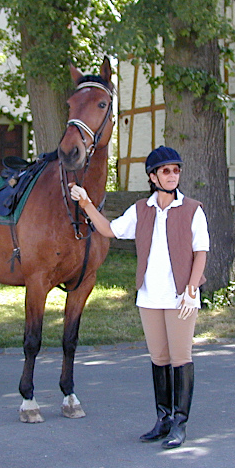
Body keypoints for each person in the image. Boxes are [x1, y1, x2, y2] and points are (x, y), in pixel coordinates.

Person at [69, 146, 209, 449]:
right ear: (152, 176)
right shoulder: (140, 209)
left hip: (180, 297)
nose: (173, 175)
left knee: (180, 358)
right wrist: (86, 203)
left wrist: (192, 289)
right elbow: (108, 229)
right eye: (166, 171)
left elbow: (201, 252)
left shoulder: (192, 209)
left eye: (176, 170)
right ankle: (163, 420)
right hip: (149, 296)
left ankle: (180, 424)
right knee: (159, 358)